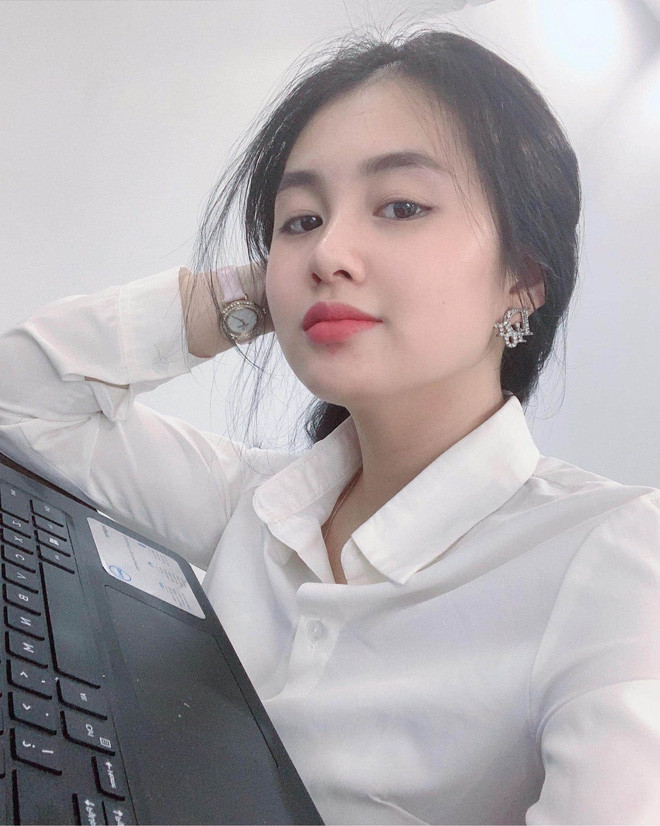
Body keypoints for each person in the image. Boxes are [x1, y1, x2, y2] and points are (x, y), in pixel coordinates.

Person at [1, 26, 659, 826]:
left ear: (521, 278)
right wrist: (258, 296)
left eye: (402, 207)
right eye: (302, 219)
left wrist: (313, 262)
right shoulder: (259, 501)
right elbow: (22, 402)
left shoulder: (616, 557)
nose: (329, 251)